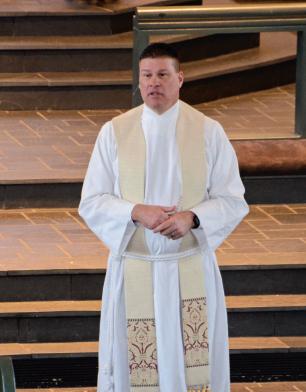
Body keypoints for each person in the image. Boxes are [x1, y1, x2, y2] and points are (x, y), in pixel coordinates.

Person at [79, 43, 249, 392]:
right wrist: (134, 211)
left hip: (188, 266)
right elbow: (92, 201)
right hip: (135, 267)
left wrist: (193, 217)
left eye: (162, 74)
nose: (153, 82)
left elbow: (233, 199)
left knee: (190, 367)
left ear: (180, 78)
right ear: (139, 82)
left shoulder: (208, 131)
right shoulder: (114, 132)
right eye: (146, 75)